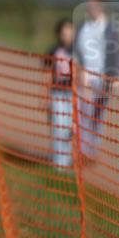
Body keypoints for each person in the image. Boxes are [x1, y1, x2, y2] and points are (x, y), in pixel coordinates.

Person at [73, 0, 119, 161]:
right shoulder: (82, 27)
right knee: (83, 112)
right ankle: (82, 149)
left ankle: (92, 150)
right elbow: (76, 51)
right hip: (84, 76)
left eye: (93, 4)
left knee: (98, 114)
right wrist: (79, 70)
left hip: (102, 78)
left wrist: (116, 76)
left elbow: (116, 54)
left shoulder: (110, 29)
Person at [46, 19, 76, 168]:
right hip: (57, 93)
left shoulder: (79, 52)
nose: (66, 35)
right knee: (58, 127)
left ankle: (66, 160)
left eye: (69, 32)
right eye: (63, 32)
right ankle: (58, 162)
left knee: (70, 129)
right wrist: (44, 96)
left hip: (72, 96)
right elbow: (45, 73)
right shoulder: (53, 50)